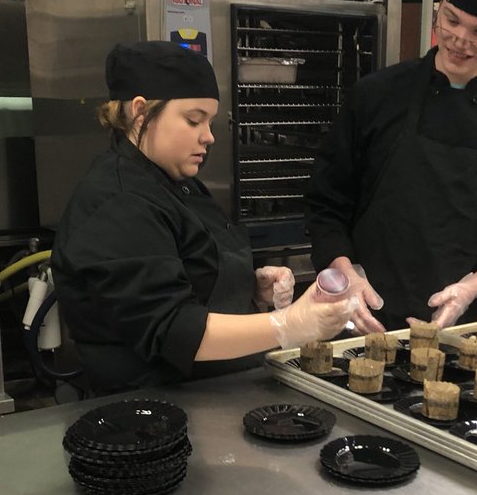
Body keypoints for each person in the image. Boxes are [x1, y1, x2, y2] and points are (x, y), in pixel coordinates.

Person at [52, 41, 350, 393]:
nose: (208, 136)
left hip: (212, 393)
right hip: (152, 408)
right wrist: (288, 324)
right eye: (194, 120)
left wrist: (249, 289)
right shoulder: (118, 200)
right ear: (140, 112)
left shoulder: (176, 183)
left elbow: (193, 275)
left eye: (210, 121)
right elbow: (174, 329)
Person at [305, 0, 477, 333]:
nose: (460, 39)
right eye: (452, 20)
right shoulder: (375, 97)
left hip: (457, 326)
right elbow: (326, 204)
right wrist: (344, 274)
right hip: (358, 314)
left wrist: (470, 289)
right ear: (439, 8)